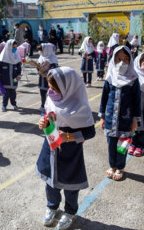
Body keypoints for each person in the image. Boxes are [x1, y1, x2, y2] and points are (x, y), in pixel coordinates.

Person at [36, 67, 95, 229]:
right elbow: (45, 112)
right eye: (49, 87)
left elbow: (90, 132)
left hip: (70, 153)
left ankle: (70, 211)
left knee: (70, 186)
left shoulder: (81, 107)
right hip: (50, 149)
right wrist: (43, 121)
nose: (50, 91)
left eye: (54, 89)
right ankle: (52, 206)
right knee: (50, 183)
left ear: (68, 88)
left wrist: (68, 137)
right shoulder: (51, 99)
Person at [99, 46, 140, 180]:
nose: (122, 62)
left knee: (122, 145)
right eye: (119, 59)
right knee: (111, 145)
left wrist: (135, 120)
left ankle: (120, 167)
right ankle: (112, 166)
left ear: (130, 61)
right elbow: (104, 99)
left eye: (126, 59)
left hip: (126, 120)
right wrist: (102, 117)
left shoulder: (133, 80)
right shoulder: (110, 79)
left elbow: (137, 101)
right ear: (113, 60)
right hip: (111, 119)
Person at [0, 40, 22, 111]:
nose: (15, 49)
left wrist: (19, 76)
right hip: (5, 79)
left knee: (13, 93)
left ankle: (14, 104)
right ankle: (4, 105)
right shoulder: (2, 57)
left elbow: (19, 68)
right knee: (5, 94)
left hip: (14, 79)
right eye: (13, 47)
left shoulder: (16, 56)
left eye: (16, 47)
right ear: (9, 47)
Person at [37, 43, 58, 113]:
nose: (40, 52)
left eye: (41, 50)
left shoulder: (52, 59)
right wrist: (38, 68)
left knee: (51, 94)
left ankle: (51, 107)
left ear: (46, 50)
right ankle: (43, 105)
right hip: (42, 79)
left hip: (50, 81)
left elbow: (54, 70)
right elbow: (38, 67)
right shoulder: (41, 57)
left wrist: (45, 74)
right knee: (42, 93)